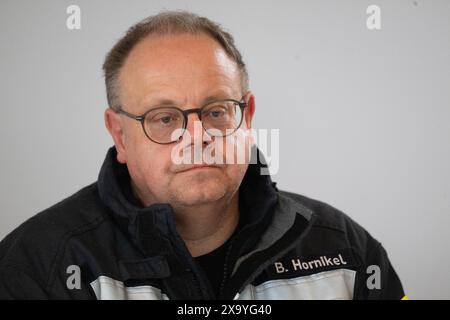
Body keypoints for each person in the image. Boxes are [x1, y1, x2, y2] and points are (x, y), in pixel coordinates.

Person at [0, 10, 404, 300]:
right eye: (164, 118)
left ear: (246, 116)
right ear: (119, 134)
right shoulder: (37, 265)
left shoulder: (347, 251)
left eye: (215, 111)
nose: (197, 136)